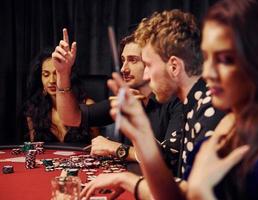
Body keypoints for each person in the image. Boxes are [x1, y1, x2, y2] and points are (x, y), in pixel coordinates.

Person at [81, 9, 224, 200]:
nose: (146, 76)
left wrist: (127, 179)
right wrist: (139, 136)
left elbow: (191, 196)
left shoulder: (209, 109)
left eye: (148, 65)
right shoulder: (194, 104)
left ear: (174, 67)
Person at [186, 0, 258, 199]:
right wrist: (141, 135)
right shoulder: (229, 124)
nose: (207, 73)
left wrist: (200, 194)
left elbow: (196, 190)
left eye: (226, 60)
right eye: (206, 57)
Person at [52, 30, 183, 173]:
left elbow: (169, 158)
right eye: (123, 60)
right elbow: (71, 118)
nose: (123, 68)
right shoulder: (128, 98)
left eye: (133, 60)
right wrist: (63, 73)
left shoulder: (177, 100)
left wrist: (116, 148)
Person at [23, 48, 99, 143]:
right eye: (46, 75)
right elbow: (35, 149)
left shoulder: (87, 106)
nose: (51, 81)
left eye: (57, 74)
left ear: (68, 76)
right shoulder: (34, 110)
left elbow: (98, 148)